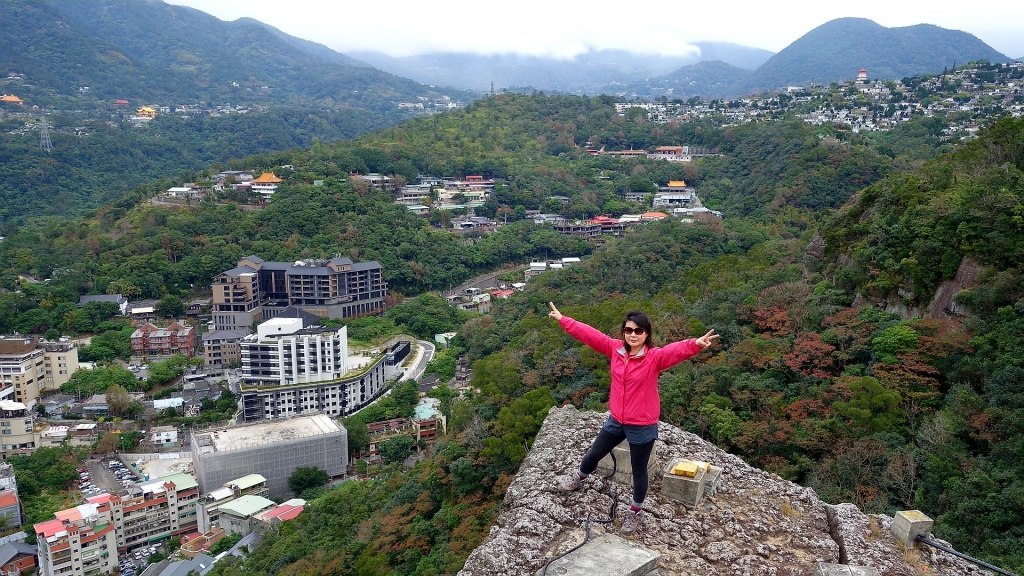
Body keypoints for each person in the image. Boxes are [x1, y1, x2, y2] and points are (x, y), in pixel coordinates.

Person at [548, 302, 718, 535]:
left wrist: (695, 344)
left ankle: (635, 511)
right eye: (629, 330)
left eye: (639, 331)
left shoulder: (654, 358)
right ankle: (579, 477)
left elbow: (674, 351)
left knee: (639, 470)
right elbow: (590, 335)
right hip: (616, 419)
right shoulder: (615, 350)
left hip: (642, 424)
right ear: (623, 332)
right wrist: (563, 319)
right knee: (594, 453)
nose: (633, 335)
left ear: (647, 333)